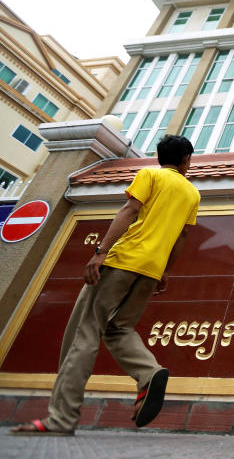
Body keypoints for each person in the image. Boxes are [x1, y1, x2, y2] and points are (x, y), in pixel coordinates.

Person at [11, 134, 201, 436]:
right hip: (150, 271)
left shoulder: (149, 174)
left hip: (122, 261)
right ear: (185, 160)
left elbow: (129, 211)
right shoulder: (192, 194)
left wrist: (99, 253)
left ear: (160, 156)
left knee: (84, 334)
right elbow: (181, 237)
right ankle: (149, 373)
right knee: (119, 329)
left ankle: (61, 419)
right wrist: (163, 271)